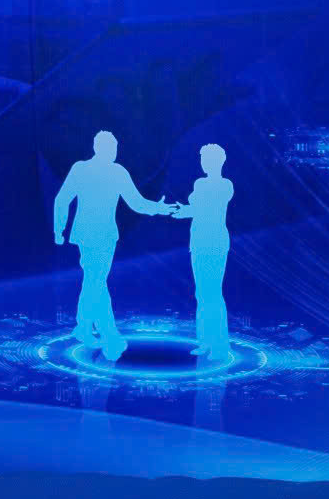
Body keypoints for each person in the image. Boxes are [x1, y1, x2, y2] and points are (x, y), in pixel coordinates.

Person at [50, 130, 179, 361]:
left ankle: (83, 327)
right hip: (89, 235)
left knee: (93, 280)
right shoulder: (82, 169)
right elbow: (62, 199)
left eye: (115, 148)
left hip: (105, 236)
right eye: (110, 148)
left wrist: (158, 208)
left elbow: (136, 203)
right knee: (96, 281)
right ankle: (110, 336)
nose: (114, 152)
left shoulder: (117, 171)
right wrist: (58, 230)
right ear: (98, 148)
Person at [183, 144, 236, 362]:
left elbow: (207, 208)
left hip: (215, 242)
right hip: (198, 242)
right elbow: (197, 210)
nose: (203, 164)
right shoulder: (200, 183)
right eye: (202, 159)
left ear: (219, 161)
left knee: (212, 293)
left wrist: (187, 211)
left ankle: (220, 346)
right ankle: (205, 341)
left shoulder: (225, 185)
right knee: (202, 293)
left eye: (207, 159)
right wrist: (182, 211)